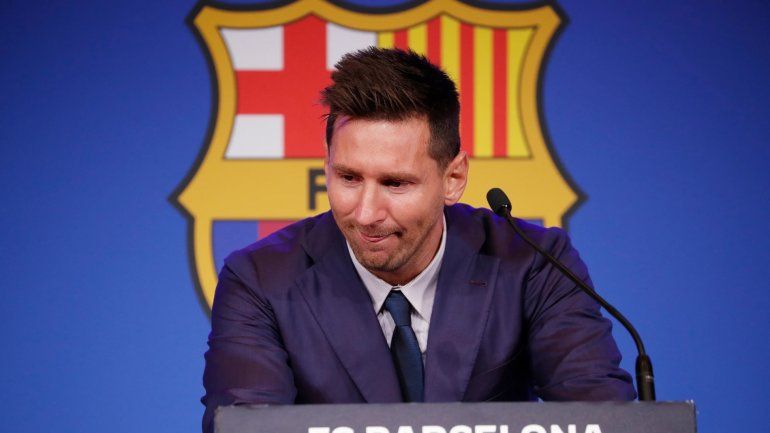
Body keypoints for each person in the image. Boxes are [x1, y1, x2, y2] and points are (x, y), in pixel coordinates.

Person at [202, 47, 634, 431]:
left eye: (395, 183)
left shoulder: (534, 264)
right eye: (348, 177)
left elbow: (600, 421)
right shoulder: (261, 280)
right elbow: (246, 429)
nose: (366, 213)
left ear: (453, 178)